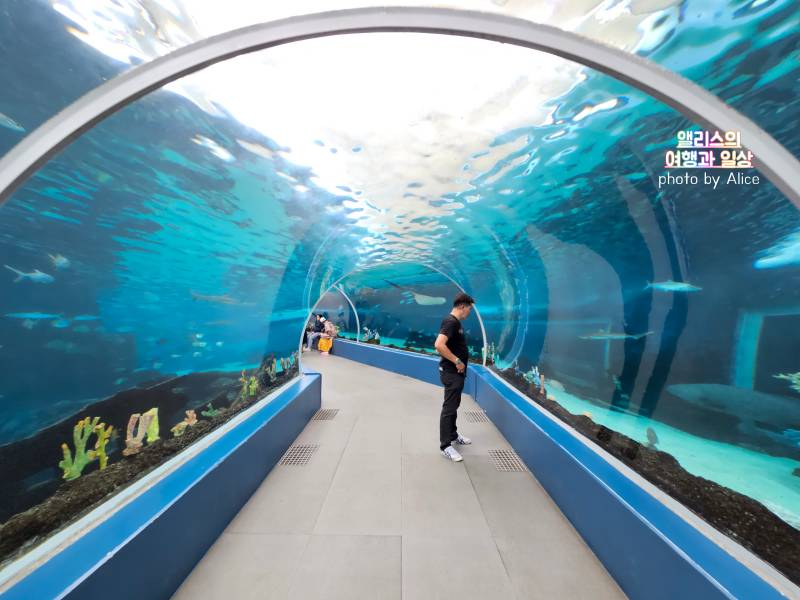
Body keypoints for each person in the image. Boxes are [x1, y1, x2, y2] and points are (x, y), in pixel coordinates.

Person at [434, 293, 475, 462]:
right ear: (462, 306)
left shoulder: (455, 323)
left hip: (455, 373)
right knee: (449, 408)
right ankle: (445, 446)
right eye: (469, 309)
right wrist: (457, 361)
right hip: (451, 373)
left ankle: (453, 434)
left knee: (454, 405)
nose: (470, 312)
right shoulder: (451, 322)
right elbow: (439, 345)